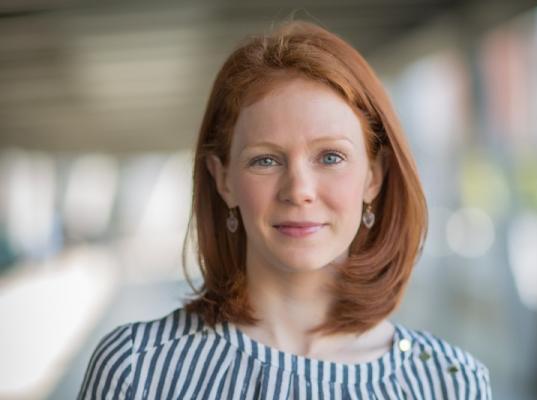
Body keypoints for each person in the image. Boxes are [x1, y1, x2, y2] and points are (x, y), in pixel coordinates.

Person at [78, 20, 491, 399]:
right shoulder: (137, 369)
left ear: (375, 177)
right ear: (223, 180)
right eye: (266, 160)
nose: (299, 191)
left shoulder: (451, 383)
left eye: (330, 157)